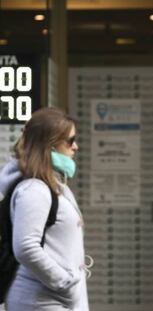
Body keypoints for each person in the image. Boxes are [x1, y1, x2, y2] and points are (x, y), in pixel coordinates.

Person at [0, 107, 90, 311]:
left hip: (52, 298)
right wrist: (64, 282)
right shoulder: (34, 190)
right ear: (49, 146)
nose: (75, 147)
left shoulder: (51, 186)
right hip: (42, 300)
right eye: (70, 140)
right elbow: (25, 247)